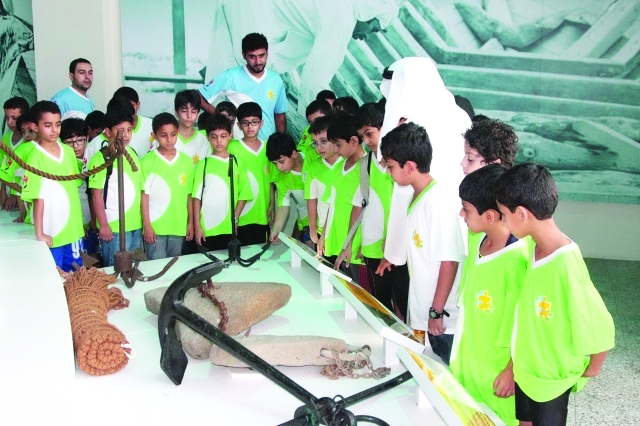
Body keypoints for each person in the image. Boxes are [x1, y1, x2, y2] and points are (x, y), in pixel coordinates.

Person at [494, 163, 615, 426]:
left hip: (550, 381)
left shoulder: (567, 264)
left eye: (503, 214)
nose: (503, 221)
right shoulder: (533, 247)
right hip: (526, 371)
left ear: (522, 214)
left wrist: (591, 369)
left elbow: (601, 328)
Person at [205, 0, 401, 114]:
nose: (366, 37)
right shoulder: (342, 20)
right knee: (243, 71)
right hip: (249, 8)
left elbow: (293, 48)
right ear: (368, 14)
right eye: (373, 29)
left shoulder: (339, 6)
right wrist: (314, 121)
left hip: (243, 7)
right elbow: (313, 82)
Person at [450, 164, 529, 426]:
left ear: (490, 216)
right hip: (469, 361)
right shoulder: (478, 239)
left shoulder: (516, 261)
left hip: (496, 374)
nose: (462, 214)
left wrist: (511, 371)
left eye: (466, 209)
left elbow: (524, 325)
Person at [377, 57, 471, 276]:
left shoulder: (413, 128)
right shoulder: (460, 115)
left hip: (425, 213)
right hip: (462, 215)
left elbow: (403, 190)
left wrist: (393, 252)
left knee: (427, 280)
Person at [380, 122, 465, 364]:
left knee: (444, 378)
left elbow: (449, 261)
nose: (388, 172)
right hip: (426, 314)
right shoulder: (418, 196)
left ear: (409, 166)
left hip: (442, 321)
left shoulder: (435, 203)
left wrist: (436, 311)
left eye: (391, 167)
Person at [354, 102, 409, 320]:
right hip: (373, 246)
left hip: (399, 245)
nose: (366, 141)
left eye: (369, 134)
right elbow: (361, 204)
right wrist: (355, 242)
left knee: (404, 303)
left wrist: (393, 238)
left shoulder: (402, 162)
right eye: (362, 136)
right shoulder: (365, 164)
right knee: (381, 304)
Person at [20, 101, 84, 272]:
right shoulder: (35, 157)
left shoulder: (68, 151)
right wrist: (40, 233)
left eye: (58, 124)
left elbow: (73, 189)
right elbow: (37, 198)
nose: (54, 130)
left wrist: (81, 224)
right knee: (55, 275)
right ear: (35, 126)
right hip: (51, 230)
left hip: (74, 228)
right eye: (48, 125)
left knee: (77, 276)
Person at [199, 33, 287, 141]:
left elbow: (280, 115)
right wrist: (222, 118)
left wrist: (279, 142)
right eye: (252, 56)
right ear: (243, 55)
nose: (258, 61)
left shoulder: (276, 80)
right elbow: (198, 97)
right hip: (237, 145)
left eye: (261, 55)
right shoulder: (230, 76)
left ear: (267, 53)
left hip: (267, 146)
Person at [88, 107, 142, 267]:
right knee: (115, 270)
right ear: (108, 132)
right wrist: (103, 224)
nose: (125, 135)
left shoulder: (133, 154)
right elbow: (96, 194)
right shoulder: (101, 158)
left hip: (135, 224)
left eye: (129, 130)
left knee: (133, 268)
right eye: (120, 130)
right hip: (114, 227)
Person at [193, 113, 252, 251]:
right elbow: (196, 198)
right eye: (214, 137)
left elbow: (244, 195)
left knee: (230, 261)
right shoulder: (203, 164)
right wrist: (197, 226)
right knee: (209, 262)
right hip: (207, 228)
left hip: (229, 228)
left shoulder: (237, 162)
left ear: (230, 136)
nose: (219, 141)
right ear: (208, 137)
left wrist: (235, 220)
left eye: (223, 136)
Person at [141, 113, 194, 260]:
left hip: (178, 224)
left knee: (175, 265)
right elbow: (144, 196)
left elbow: (189, 195)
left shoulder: (186, 162)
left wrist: (190, 222)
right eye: (163, 135)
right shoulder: (147, 161)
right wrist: (147, 225)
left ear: (178, 132)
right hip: (155, 226)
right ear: (154, 136)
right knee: (156, 266)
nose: (169, 139)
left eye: (173, 134)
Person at [318, 114, 365, 278]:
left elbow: (368, 210)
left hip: (355, 249)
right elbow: (331, 205)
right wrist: (323, 236)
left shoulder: (366, 167)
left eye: (338, 145)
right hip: (336, 244)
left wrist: (359, 245)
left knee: (359, 291)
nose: (336, 150)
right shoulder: (339, 166)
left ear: (354, 141)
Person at [228, 102, 274, 246]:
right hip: (239, 214)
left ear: (261, 123)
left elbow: (271, 180)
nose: (250, 127)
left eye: (254, 122)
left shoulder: (268, 148)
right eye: (245, 123)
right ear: (238, 125)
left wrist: (272, 205)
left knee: (259, 253)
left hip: (261, 213)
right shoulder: (232, 148)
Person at [304, 116, 343, 245]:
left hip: (344, 230)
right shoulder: (313, 167)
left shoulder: (347, 163)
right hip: (322, 231)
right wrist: (313, 228)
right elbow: (311, 199)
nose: (319, 147)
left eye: (323, 141)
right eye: (315, 143)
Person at [266, 132, 309, 245]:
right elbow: (283, 206)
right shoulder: (282, 177)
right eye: (275, 163)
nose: (279, 167)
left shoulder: (313, 159)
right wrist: (276, 231)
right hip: (308, 223)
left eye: (281, 162)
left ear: (294, 153)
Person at [60, 118, 95, 257]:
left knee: (96, 258)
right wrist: (78, 224)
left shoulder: (94, 157)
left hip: (95, 219)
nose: (75, 146)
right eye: (69, 142)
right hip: (76, 223)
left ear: (87, 138)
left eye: (80, 140)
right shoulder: (63, 164)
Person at [0, 112, 36, 223]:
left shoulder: (54, 146)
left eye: (30, 131)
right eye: (23, 132)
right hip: (27, 199)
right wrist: (22, 192)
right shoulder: (21, 150)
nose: (27, 135)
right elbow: (3, 175)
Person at [1, 96, 29, 210]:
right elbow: (3, 170)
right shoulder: (5, 139)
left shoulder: (29, 141)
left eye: (14, 118)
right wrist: (3, 193)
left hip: (24, 194)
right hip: (8, 194)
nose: (9, 122)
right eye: (7, 117)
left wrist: (14, 194)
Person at [111, 86, 153, 159]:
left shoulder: (151, 125)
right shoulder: (110, 130)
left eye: (131, 105)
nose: (127, 110)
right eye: (123, 106)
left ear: (138, 105)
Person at [174, 89, 211, 166]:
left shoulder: (204, 141)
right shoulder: (167, 137)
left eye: (193, 111)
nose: (189, 116)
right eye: (184, 111)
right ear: (176, 112)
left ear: (198, 114)